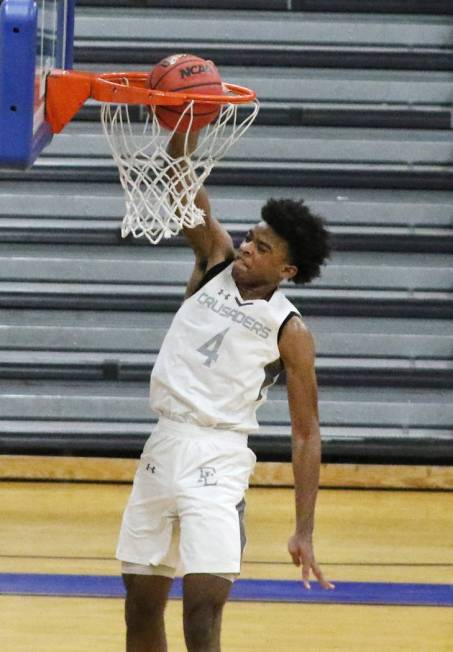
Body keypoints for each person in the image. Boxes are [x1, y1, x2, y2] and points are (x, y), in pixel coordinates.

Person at [116, 133, 334, 652]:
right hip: (163, 445)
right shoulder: (214, 259)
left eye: (262, 248)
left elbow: (306, 436)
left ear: (287, 270)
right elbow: (181, 186)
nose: (246, 248)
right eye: (250, 237)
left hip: (219, 455)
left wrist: (303, 530)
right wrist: (180, 137)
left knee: (201, 610)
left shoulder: (291, 331)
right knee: (141, 604)